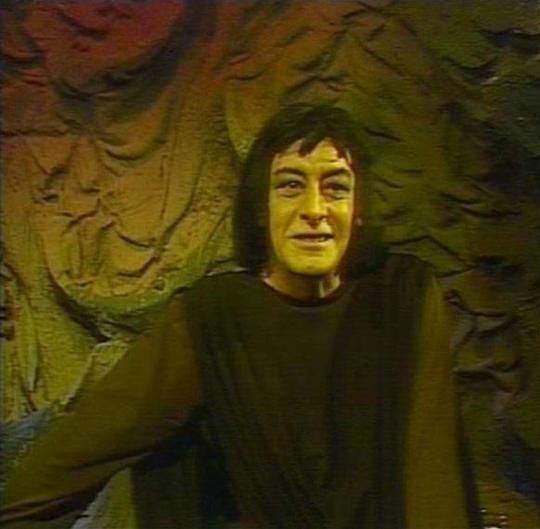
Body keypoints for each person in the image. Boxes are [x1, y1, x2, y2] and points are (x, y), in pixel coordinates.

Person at [0, 105, 473, 528]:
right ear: (261, 209)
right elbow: (76, 454)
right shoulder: (213, 317)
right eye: (290, 186)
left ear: (358, 211)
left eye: (335, 188)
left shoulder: (401, 296)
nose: (314, 210)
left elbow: (433, 479)